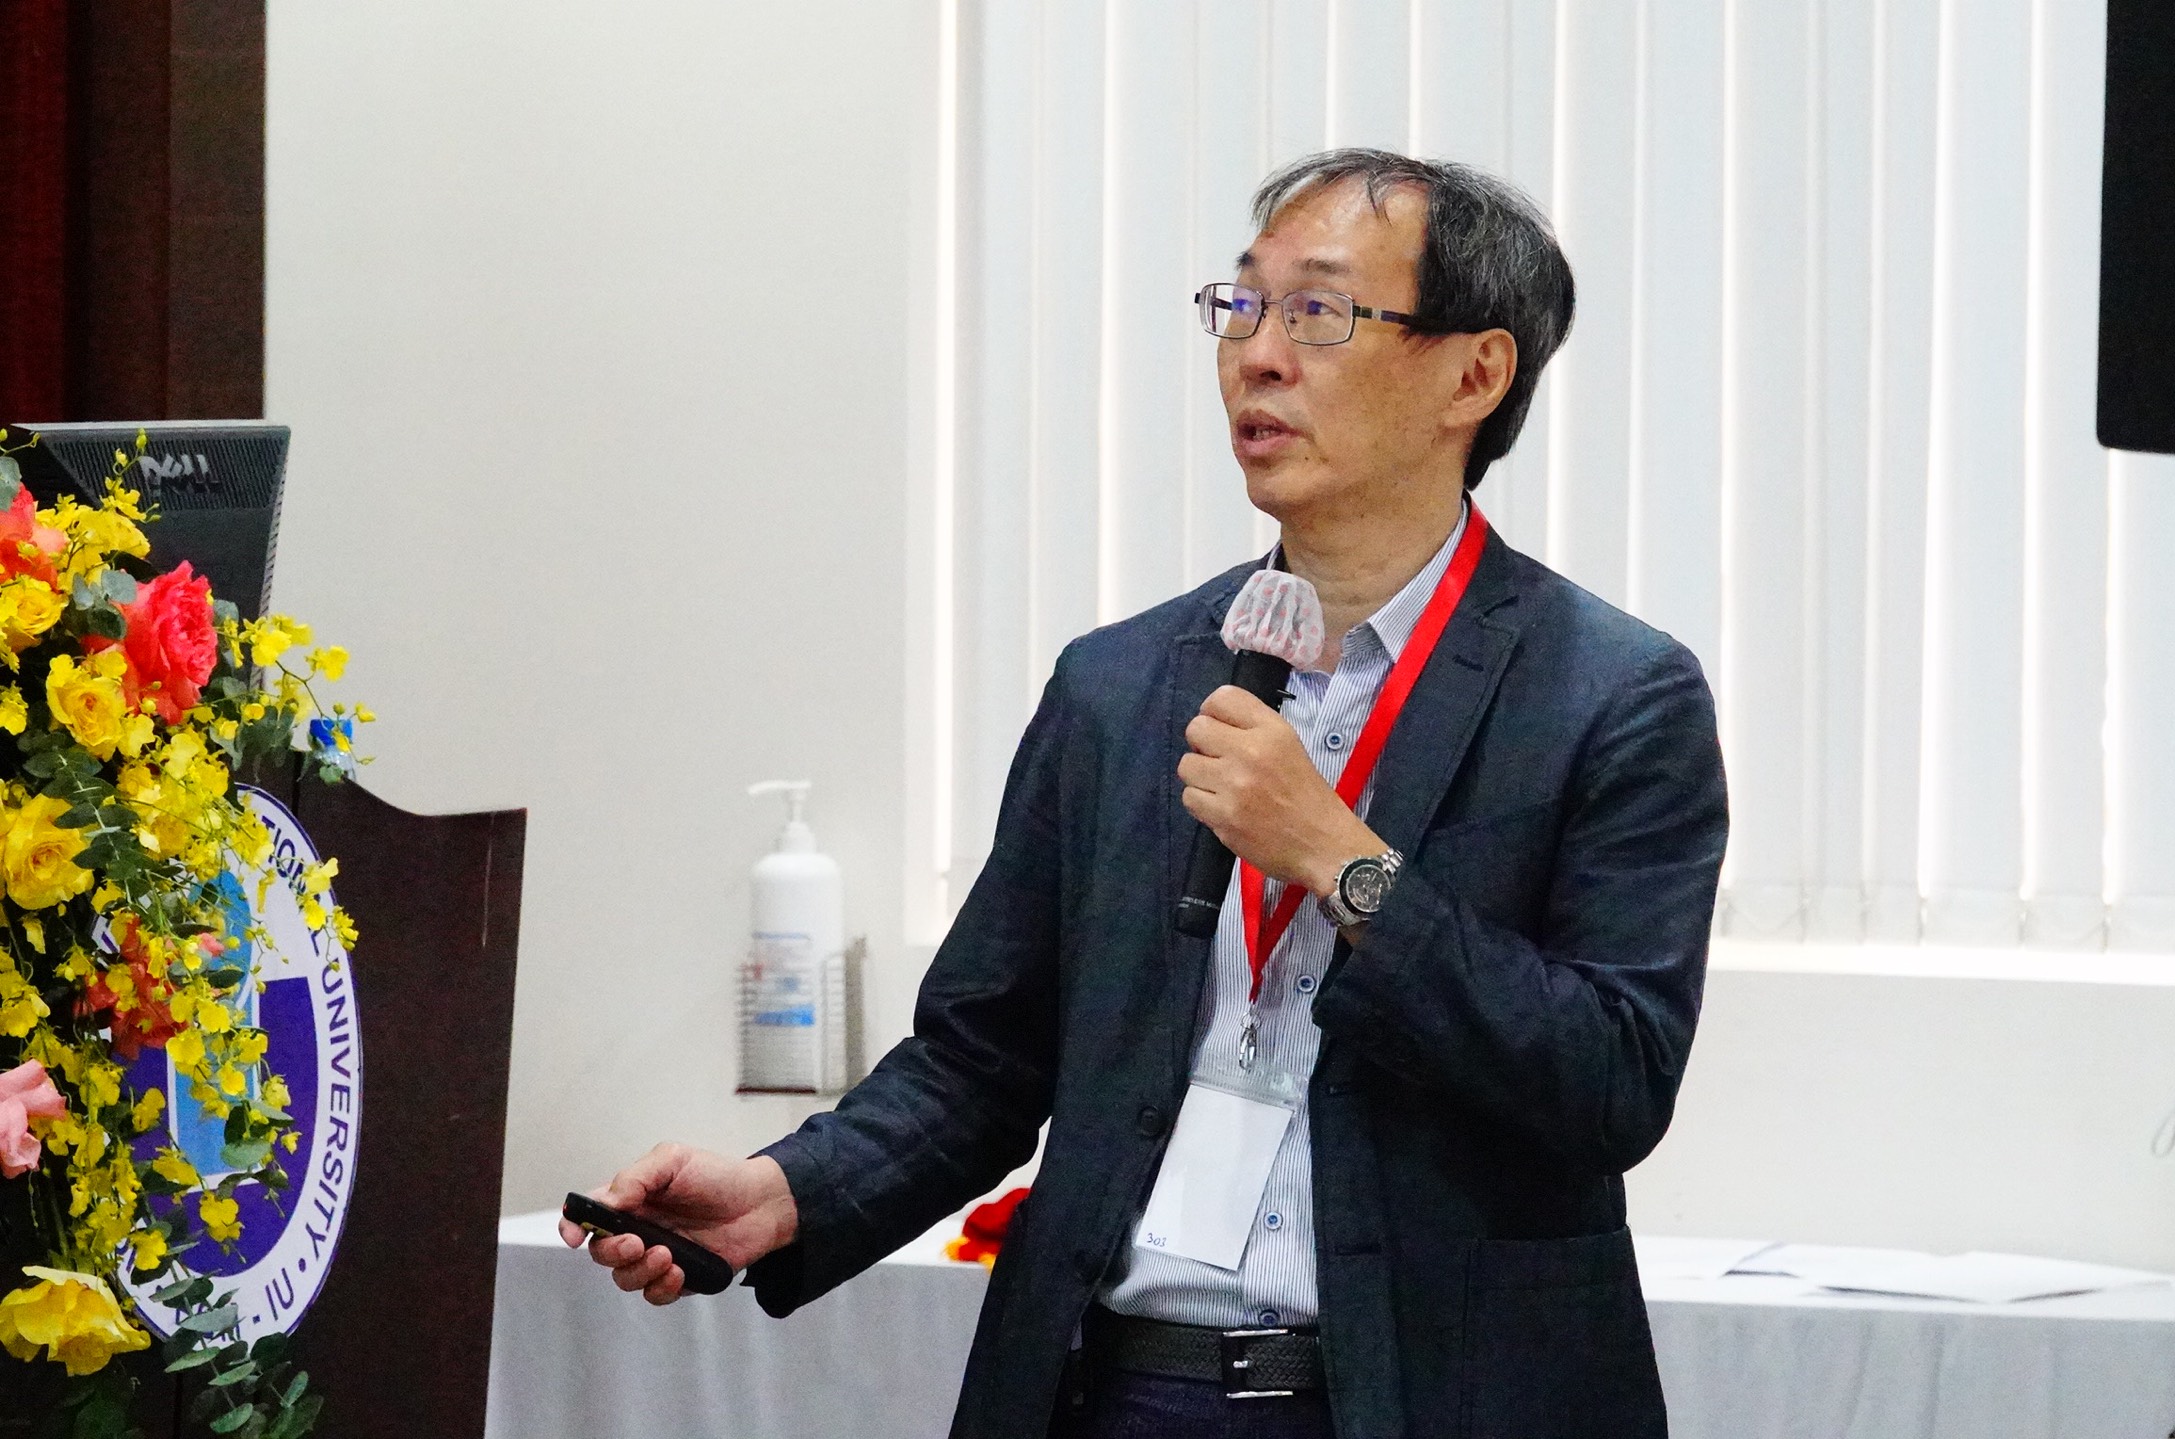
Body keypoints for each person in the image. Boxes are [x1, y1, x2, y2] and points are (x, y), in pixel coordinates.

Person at [564, 147, 1728, 1439]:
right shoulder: (1122, 683)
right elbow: (985, 1054)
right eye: (1242, 306)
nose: (1257, 357)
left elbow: (1611, 1081)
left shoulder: (1610, 695)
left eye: (1318, 311)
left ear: (1475, 374)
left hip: (1424, 1399)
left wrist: (1342, 865)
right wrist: (786, 1194)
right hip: (1113, 1389)